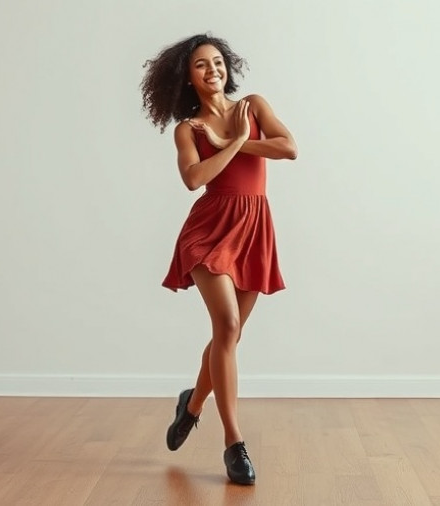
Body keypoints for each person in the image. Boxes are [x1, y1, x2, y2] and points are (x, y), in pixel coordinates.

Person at [140, 33, 297, 486]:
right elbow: (195, 179)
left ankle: (192, 404)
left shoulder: (252, 106)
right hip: (209, 228)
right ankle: (234, 442)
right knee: (226, 325)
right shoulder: (187, 129)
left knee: (230, 336)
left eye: (217, 62)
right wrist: (231, 144)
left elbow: (288, 147)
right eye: (201, 66)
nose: (213, 71)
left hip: (253, 227)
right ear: (187, 79)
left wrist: (242, 138)